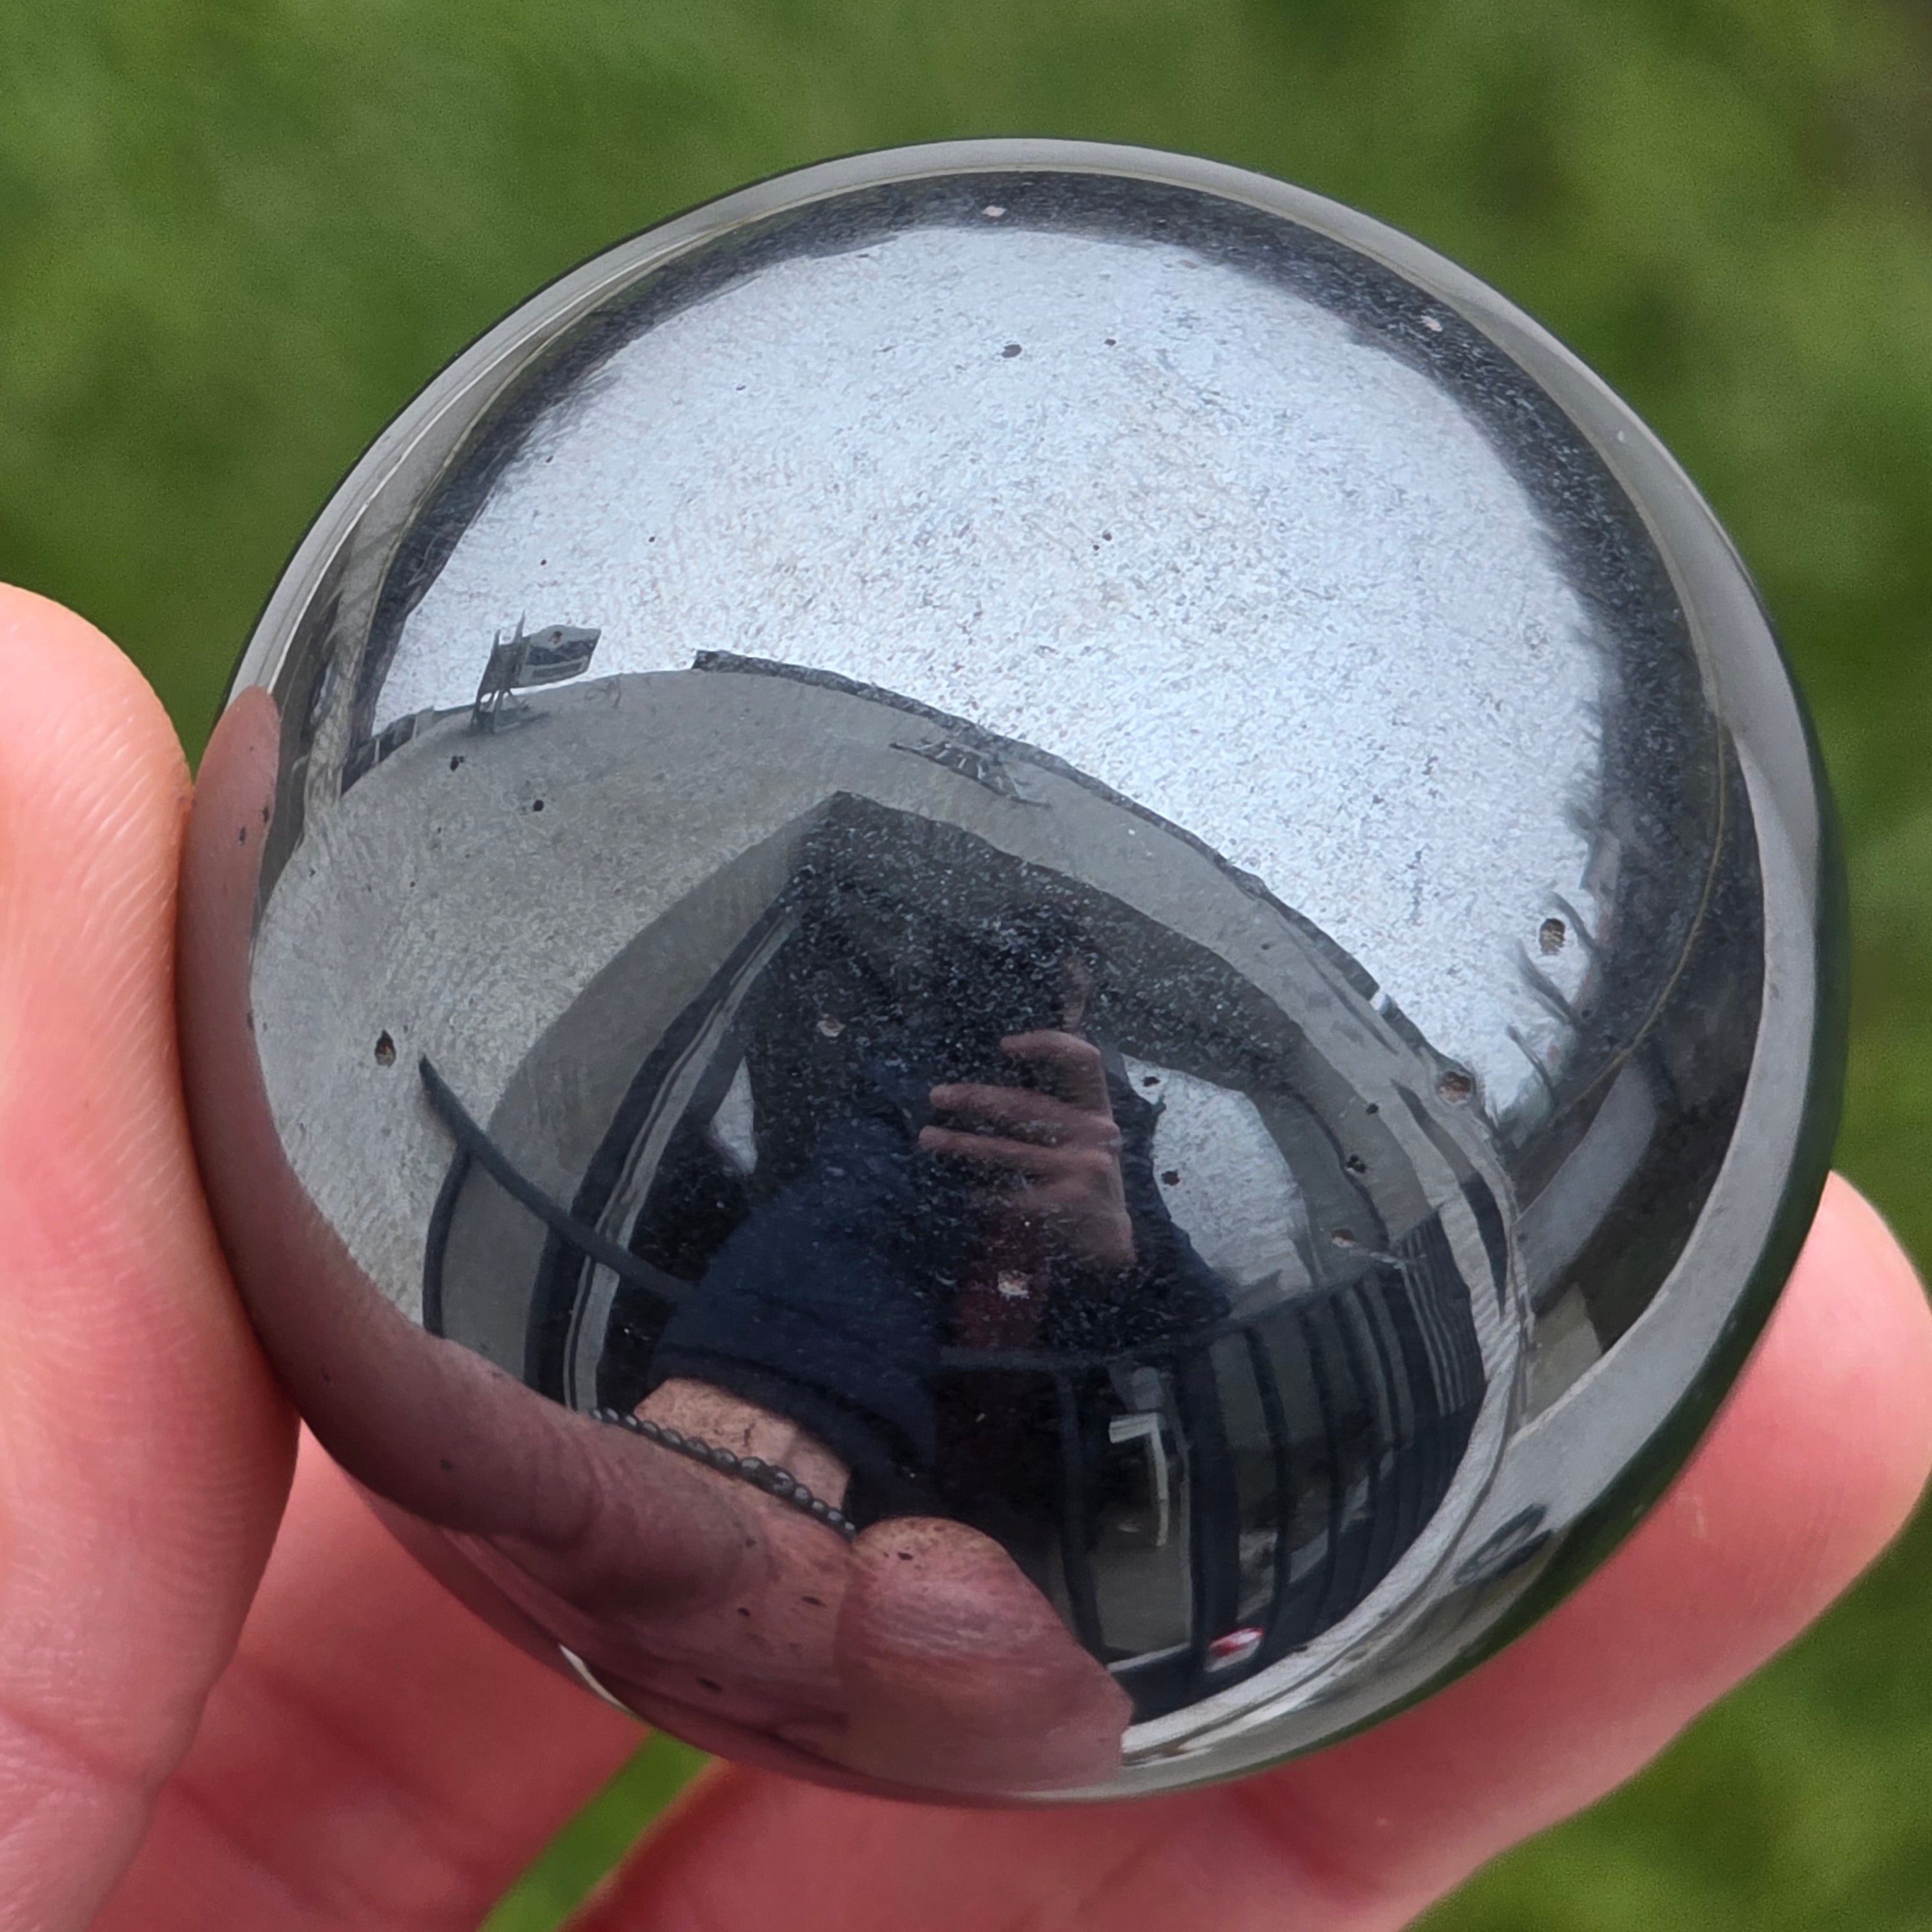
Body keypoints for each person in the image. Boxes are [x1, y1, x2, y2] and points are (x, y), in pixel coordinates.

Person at [6, 581, 1931, 1930]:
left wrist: (1114, 1230)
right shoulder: (878, 1098)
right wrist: (774, 1400)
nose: (1032, 1064)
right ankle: (752, 1421)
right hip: (843, 1472)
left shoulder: (1127, 1160)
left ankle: (751, 1419)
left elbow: (1198, 1346)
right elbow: (879, 1185)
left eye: (1060, 1042)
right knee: (896, 1155)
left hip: (1023, 1501)